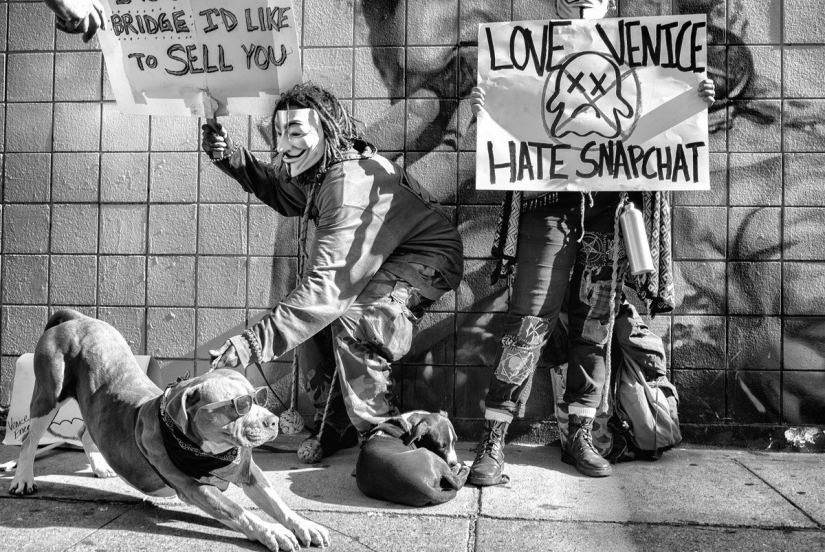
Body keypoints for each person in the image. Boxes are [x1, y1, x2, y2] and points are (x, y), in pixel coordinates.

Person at [467, 0, 716, 484]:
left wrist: (692, 100)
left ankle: (581, 432)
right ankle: (494, 437)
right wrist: (489, 111)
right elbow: (517, 128)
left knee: (593, 324)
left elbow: (653, 129)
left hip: (606, 210)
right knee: (529, 319)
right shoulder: (531, 56)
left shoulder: (640, 54)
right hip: (548, 207)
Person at [205, 83, 464, 460]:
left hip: (426, 257)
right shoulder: (327, 167)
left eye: (295, 133)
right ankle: (335, 422)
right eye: (279, 133)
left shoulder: (347, 186)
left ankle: (383, 435)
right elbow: (289, 195)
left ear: (326, 130)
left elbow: (327, 289)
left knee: (359, 319)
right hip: (390, 251)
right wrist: (231, 157)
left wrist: (251, 344)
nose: (282, 146)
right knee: (313, 324)